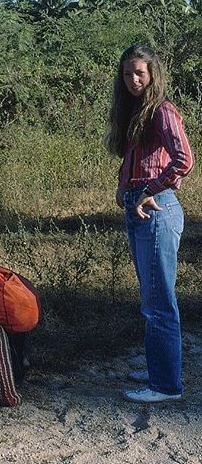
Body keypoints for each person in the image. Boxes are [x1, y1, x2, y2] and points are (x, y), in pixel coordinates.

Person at [105, 44, 194, 403]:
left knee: (160, 301)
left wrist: (148, 189)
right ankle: (160, 367)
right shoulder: (137, 111)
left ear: (153, 73)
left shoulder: (162, 109)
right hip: (139, 206)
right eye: (127, 73)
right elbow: (141, 158)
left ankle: (165, 385)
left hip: (156, 208)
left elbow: (183, 160)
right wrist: (124, 186)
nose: (133, 79)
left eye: (140, 72)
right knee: (152, 296)